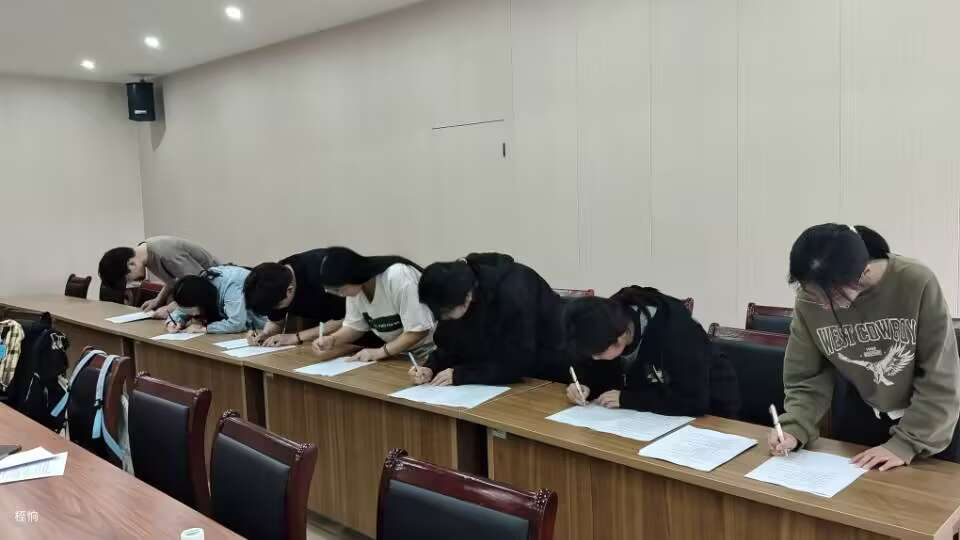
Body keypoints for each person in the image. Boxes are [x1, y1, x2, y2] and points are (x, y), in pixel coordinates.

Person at [771, 224, 960, 471]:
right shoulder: (811, 299)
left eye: (832, 296)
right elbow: (807, 376)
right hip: (861, 416)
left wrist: (906, 444)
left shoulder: (915, 282)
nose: (823, 306)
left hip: (927, 427)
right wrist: (795, 427)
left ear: (864, 273)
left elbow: (940, 376)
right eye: (812, 294)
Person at [562, 288, 740, 418]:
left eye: (598, 353)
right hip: (649, 414)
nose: (594, 358)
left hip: (712, 410)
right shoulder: (605, 319)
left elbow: (693, 401)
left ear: (620, 337)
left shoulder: (674, 332)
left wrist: (629, 400)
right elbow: (598, 368)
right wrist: (584, 386)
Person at [410, 253, 570, 386]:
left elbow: (519, 362)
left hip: (547, 377)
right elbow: (450, 344)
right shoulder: (454, 290)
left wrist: (462, 375)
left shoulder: (515, 290)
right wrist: (430, 367)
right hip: (499, 377)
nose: (443, 318)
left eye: (446, 313)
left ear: (467, 297)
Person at [310, 247, 434, 362]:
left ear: (353, 276)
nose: (340, 295)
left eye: (339, 290)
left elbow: (418, 330)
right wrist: (333, 339)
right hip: (400, 354)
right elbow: (355, 327)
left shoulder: (397, 276)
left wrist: (380, 352)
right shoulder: (356, 289)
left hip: (431, 352)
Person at [244, 249, 347, 347]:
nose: (275, 310)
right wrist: (266, 334)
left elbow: (344, 320)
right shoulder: (274, 284)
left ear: (289, 289)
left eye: (276, 307)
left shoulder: (325, 271)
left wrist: (296, 337)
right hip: (319, 334)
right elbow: (276, 322)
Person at [98, 236, 221, 318]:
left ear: (131, 264)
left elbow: (198, 287)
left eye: (128, 279)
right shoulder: (147, 254)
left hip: (218, 292)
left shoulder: (165, 253)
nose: (133, 281)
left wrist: (170, 308)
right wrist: (158, 300)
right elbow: (174, 279)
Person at [164, 266, 267, 334]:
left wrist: (204, 329)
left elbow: (237, 323)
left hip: (264, 324)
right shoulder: (198, 287)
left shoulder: (231, 286)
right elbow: (183, 309)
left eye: (195, 312)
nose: (194, 315)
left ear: (201, 301)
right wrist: (173, 322)